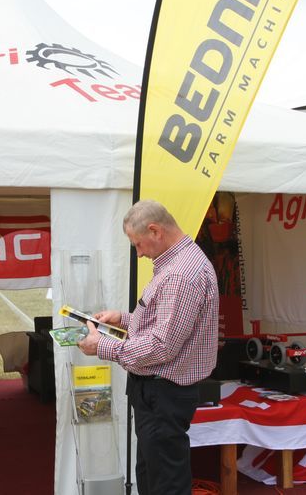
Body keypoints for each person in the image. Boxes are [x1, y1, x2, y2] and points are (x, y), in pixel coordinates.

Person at [78, 199, 219, 495]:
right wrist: (123, 319)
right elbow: (168, 323)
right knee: (152, 472)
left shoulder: (180, 274)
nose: (139, 254)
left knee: (165, 481)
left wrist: (103, 346)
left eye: (138, 244)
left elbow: (161, 346)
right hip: (158, 390)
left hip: (163, 392)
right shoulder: (176, 264)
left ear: (155, 230)